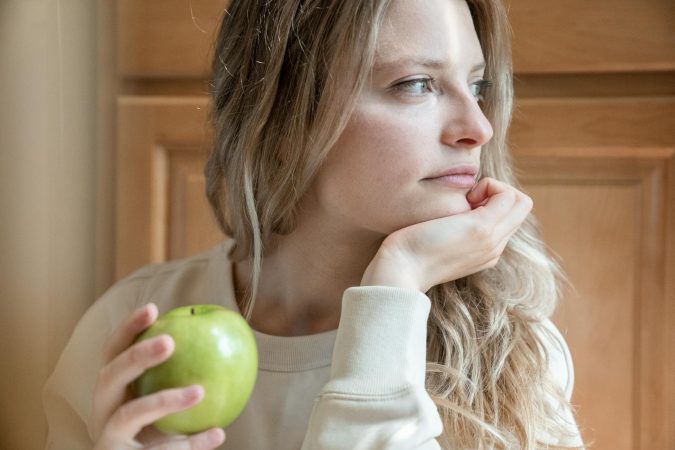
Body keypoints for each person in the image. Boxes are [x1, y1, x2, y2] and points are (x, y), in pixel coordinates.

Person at [42, 0, 586, 449]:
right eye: (416, 84)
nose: (478, 127)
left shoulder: (512, 357)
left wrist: (395, 283)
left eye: (478, 85)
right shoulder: (127, 333)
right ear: (283, 121)